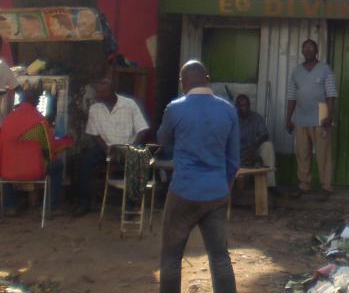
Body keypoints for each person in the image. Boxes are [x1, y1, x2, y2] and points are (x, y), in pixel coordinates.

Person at [158, 60, 238, 293]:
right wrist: (225, 187)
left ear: (183, 83)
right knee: (220, 257)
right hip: (216, 192)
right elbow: (233, 160)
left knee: (171, 257)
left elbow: (161, 140)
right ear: (208, 79)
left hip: (183, 192)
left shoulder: (175, 108)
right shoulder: (228, 110)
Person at [75, 78, 149, 216]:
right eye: (98, 92)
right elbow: (94, 134)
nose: (100, 95)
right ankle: (84, 202)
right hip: (106, 147)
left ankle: (131, 205)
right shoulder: (95, 108)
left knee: (137, 160)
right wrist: (107, 150)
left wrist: (132, 147)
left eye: (104, 92)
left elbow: (142, 129)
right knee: (84, 161)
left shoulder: (129, 104)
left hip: (128, 146)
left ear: (112, 91)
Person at [0, 85, 72, 214]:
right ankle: (53, 207)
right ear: (38, 101)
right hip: (34, 171)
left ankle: (10, 206)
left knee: (3, 167)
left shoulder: (7, 120)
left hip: (8, 171)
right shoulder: (39, 122)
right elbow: (49, 150)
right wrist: (66, 142)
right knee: (57, 165)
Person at [285, 39, 336, 198]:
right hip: (301, 115)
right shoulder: (297, 72)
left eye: (310, 48)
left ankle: (326, 187)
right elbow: (292, 96)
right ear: (302, 52)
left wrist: (328, 115)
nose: (307, 51)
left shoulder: (325, 69)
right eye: (304, 48)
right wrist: (288, 118)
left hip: (321, 113)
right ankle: (304, 184)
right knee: (302, 153)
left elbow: (331, 95)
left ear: (316, 51)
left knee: (323, 153)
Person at [234, 94, 275, 189]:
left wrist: (253, 147)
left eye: (247, 105)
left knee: (268, 145)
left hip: (252, 152)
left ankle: (269, 185)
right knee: (240, 185)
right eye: (242, 106)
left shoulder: (256, 118)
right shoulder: (231, 118)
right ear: (237, 106)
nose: (245, 108)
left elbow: (265, 135)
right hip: (236, 155)